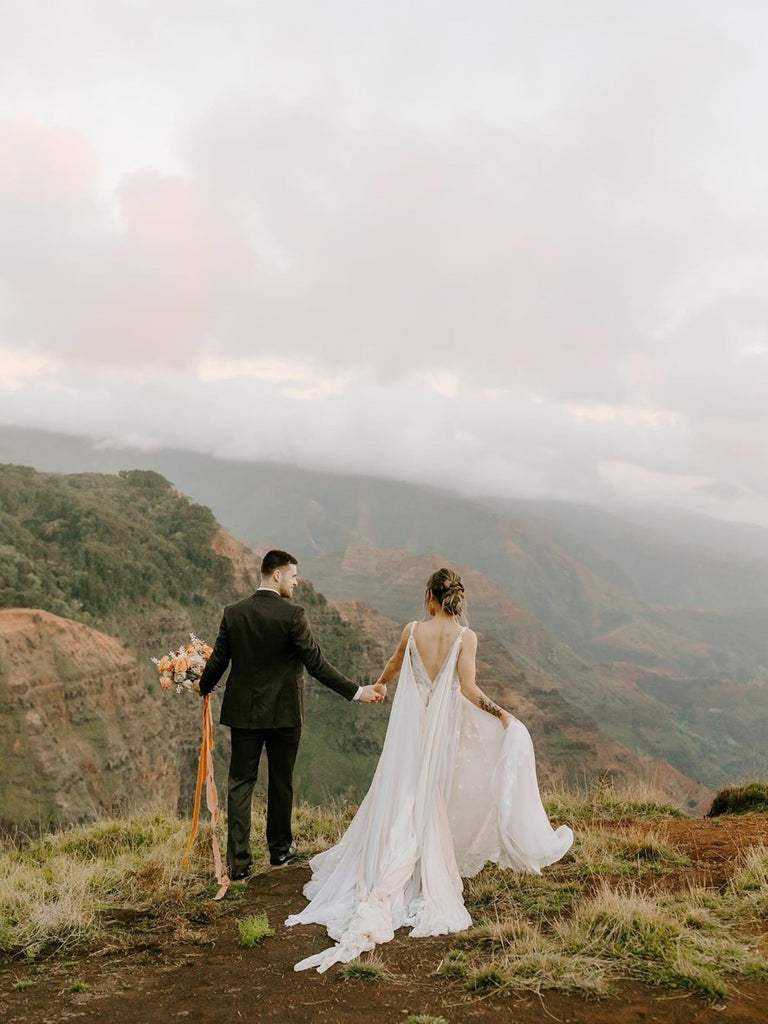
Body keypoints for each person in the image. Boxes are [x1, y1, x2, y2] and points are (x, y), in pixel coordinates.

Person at [285, 567, 573, 972]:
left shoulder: (412, 630)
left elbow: (395, 662)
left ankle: (389, 865)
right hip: (441, 732)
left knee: (401, 791)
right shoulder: (464, 637)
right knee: (430, 793)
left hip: (410, 731)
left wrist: (380, 685)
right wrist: (503, 715)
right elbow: (470, 690)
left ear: (429, 597)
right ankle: (420, 862)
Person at [198, 549, 385, 879]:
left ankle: (239, 865)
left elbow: (218, 662)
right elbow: (316, 663)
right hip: (284, 714)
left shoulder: (234, 613)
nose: (296, 582)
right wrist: (357, 692)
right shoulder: (293, 615)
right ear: (277, 575)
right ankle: (280, 851)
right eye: (293, 576)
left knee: (240, 784)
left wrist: (200, 685)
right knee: (280, 782)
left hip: (243, 714)